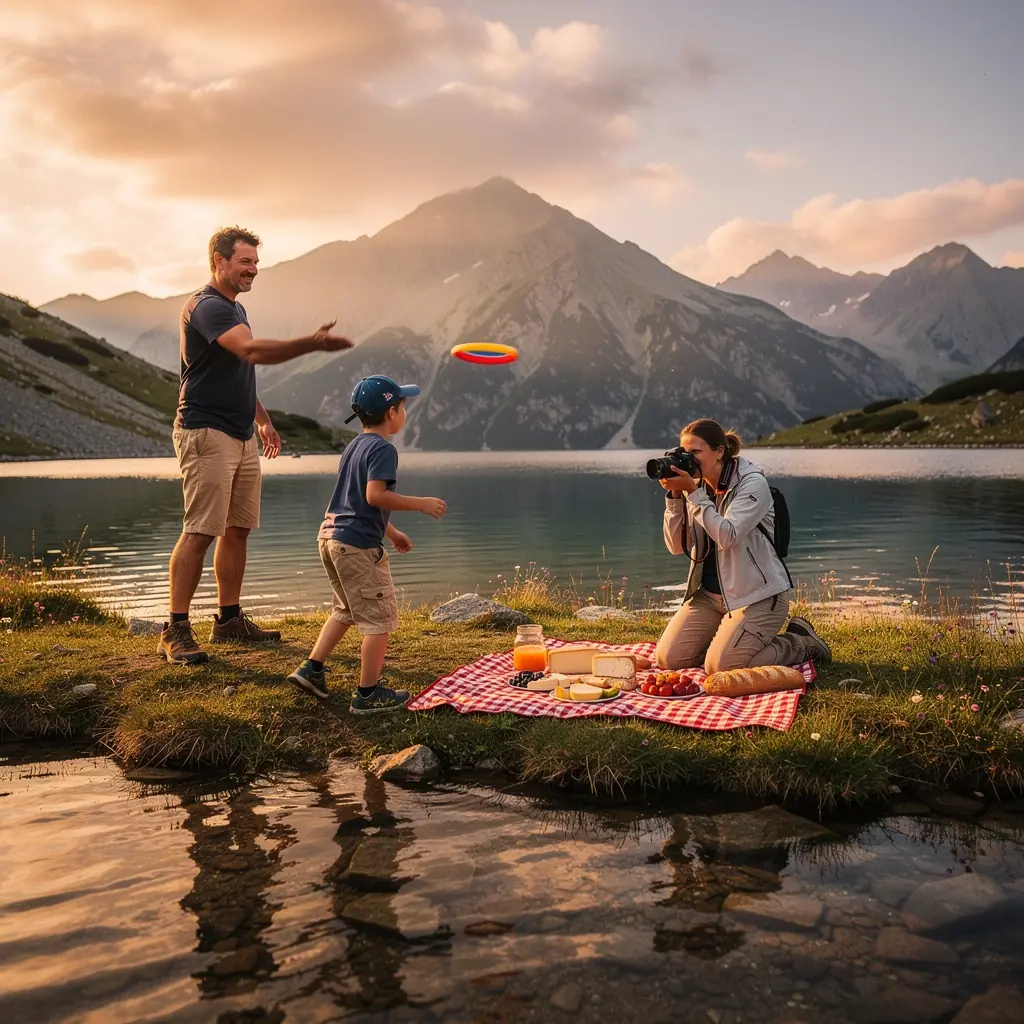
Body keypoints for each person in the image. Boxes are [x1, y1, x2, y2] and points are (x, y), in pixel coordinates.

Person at [159, 226, 354, 665]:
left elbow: (237, 372)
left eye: (256, 263)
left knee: (238, 528)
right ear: (219, 261)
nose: (253, 270)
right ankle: (174, 628)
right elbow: (252, 353)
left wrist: (262, 421)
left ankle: (228, 620)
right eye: (245, 261)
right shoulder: (207, 307)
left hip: (241, 434)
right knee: (200, 530)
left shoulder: (234, 308)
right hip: (205, 431)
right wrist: (311, 343)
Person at [288, 375, 447, 712]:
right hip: (357, 547)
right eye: (403, 406)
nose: (405, 412)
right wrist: (420, 503)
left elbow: (356, 501)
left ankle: (312, 669)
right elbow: (375, 495)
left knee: (345, 610)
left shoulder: (355, 446)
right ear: (391, 412)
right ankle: (367, 694)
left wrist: (391, 532)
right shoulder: (384, 449)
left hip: (331, 538)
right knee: (379, 620)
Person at [654, 418, 832, 673]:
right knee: (668, 660)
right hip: (709, 597)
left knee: (721, 668)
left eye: (696, 452)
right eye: (684, 452)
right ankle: (728, 644)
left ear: (719, 452)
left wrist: (692, 494)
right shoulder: (696, 484)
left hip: (757, 597)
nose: (688, 459)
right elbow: (675, 546)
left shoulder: (751, 483)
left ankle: (800, 642)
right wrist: (674, 496)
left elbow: (727, 536)